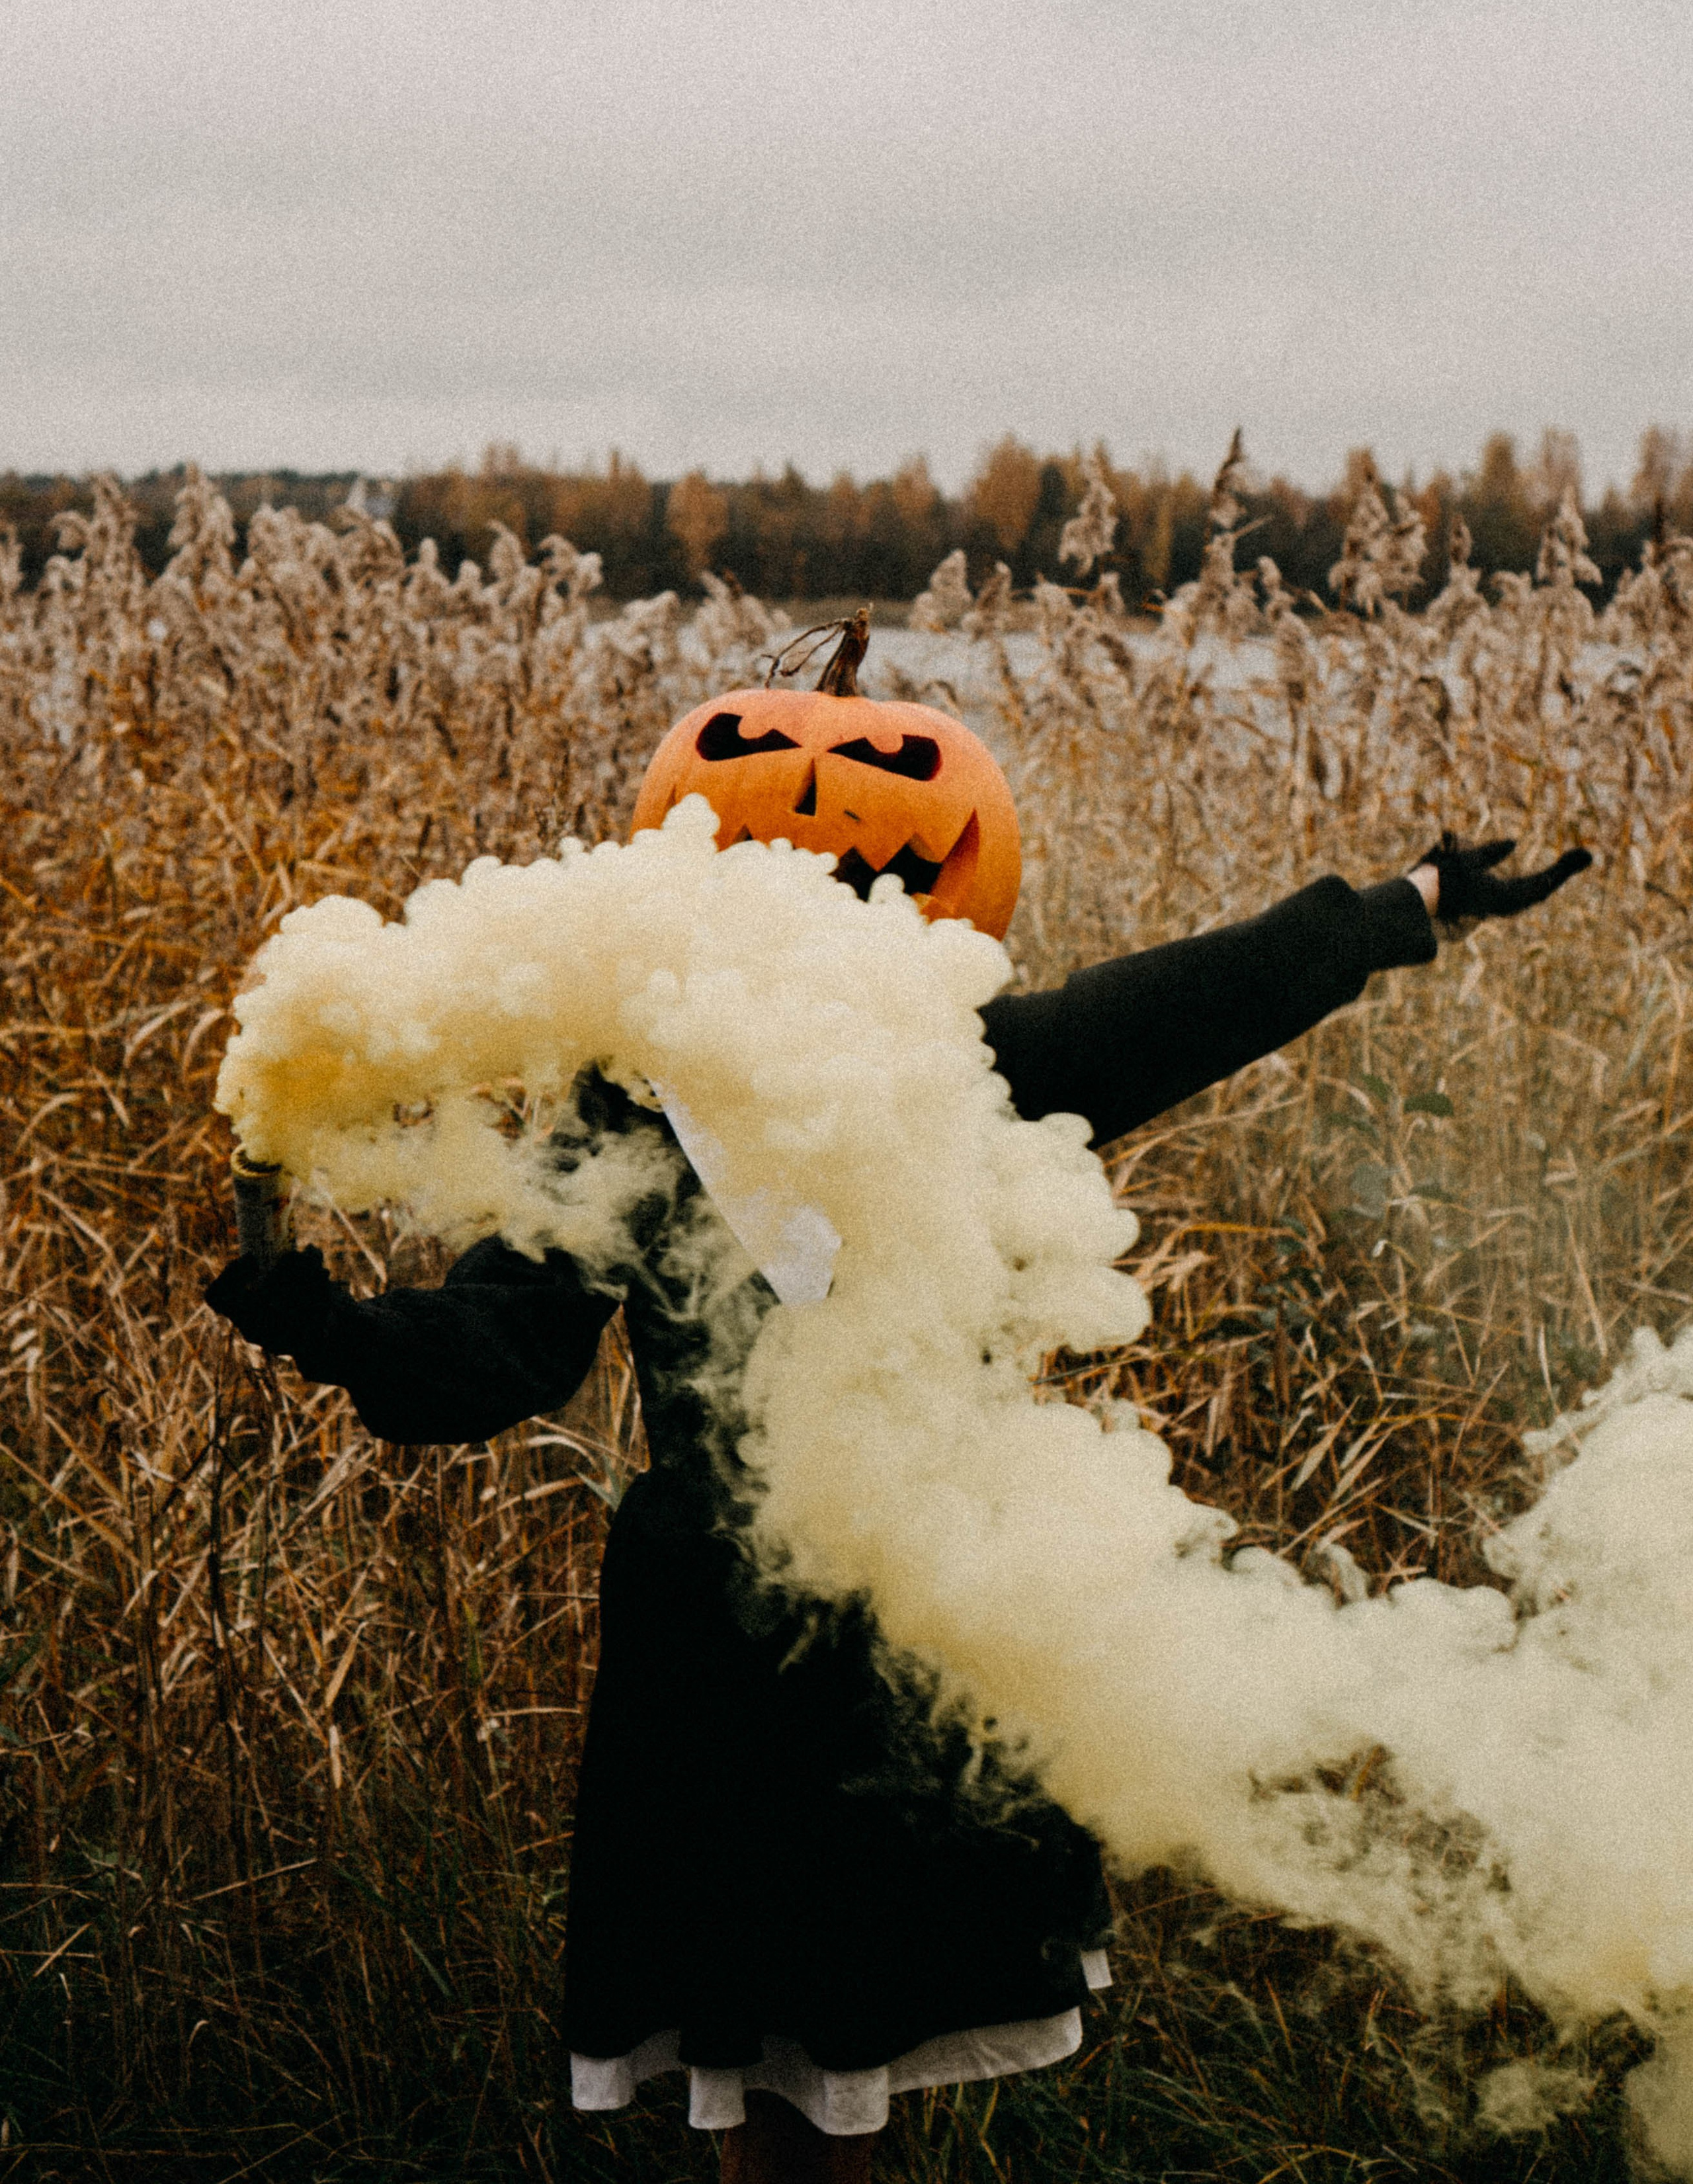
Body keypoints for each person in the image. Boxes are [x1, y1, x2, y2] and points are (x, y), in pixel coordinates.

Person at [206, 829, 1590, 2184]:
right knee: (774, 2059)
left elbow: (1191, 999)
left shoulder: (954, 1064)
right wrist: (327, 1325)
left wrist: (1409, 901)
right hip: (729, 1645)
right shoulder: (635, 1108)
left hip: (926, 1602)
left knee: (860, 2051)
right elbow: (495, 1351)